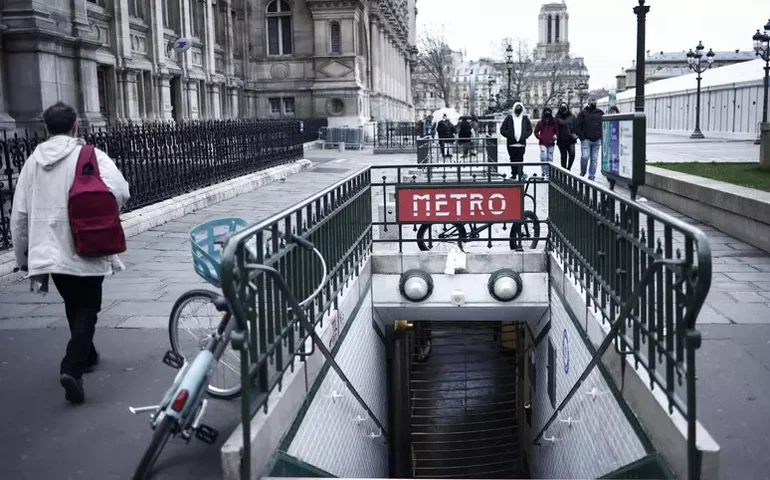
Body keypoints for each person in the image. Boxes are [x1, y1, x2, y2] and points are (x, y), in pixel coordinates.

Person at [10, 102, 130, 405]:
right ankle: (71, 368)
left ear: (46, 128)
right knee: (88, 308)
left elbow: (19, 214)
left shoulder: (31, 164)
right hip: (87, 242)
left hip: (49, 249)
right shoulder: (91, 156)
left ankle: (87, 355)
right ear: (76, 125)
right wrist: (103, 215)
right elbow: (122, 191)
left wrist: (23, 257)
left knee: (73, 304)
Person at [500, 102, 533, 180]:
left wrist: (525, 136)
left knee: (520, 158)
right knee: (512, 158)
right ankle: (514, 174)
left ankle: (520, 173)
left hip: (521, 143)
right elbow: (502, 129)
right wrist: (508, 135)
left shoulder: (525, 119)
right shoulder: (509, 118)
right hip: (511, 143)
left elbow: (530, 129)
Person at [575, 98, 605, 180]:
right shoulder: (583, 113)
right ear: (588, 102)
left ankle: (592, 175)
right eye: (591, 101)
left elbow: (604, 125)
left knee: (594, 159)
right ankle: (583, 171)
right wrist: (582, 138)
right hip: (586, 140)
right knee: (585, 157)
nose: (593, 102)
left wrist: (601, 136)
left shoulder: (600, 113)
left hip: (597, 140)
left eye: (594, 100)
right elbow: (577, 126)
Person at [534, 106, 559, 177]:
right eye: (546, 111)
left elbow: (557, 131)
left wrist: (555, 136)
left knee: (550, 158)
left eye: (548, 111)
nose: (547, 113)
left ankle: (549, 172)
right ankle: (544, 171)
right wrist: (540, 137)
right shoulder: (540, 122)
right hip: (543, 142)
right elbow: (536, 132)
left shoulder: (554, 122)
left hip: (551, 142)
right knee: (543, 157)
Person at [555, 102, 578, 171]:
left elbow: (576, 126)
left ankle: (569, 168)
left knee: (572, 154)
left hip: (571, 139)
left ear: (567, 107)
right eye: (562, 106)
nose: (564, 107)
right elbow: (555, 127)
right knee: (563, 156)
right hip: (561, 139)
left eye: (565, 106)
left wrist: (575, 134)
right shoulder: (557, 117)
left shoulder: (572, 116)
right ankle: (564, 170)